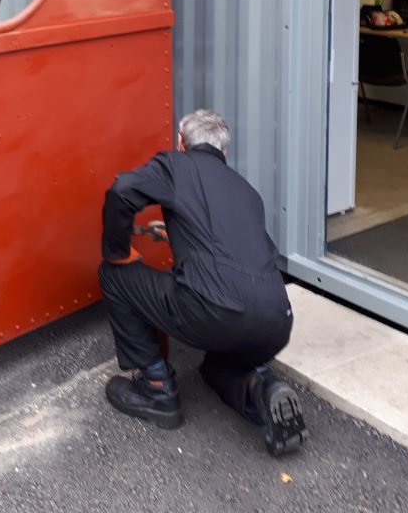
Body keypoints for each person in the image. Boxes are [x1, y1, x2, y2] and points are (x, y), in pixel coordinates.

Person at [98, 109, 307, 456]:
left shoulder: (176, 165)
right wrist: (176, 233)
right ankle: (260, 387)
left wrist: (117, 250)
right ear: (224, 151)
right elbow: (228, 246)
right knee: (215, 368)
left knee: (113, 274)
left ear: (181, 143)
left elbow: (122, 190)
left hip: (214, 312)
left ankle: (157, 388)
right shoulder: (245, 190)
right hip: (276, 321)